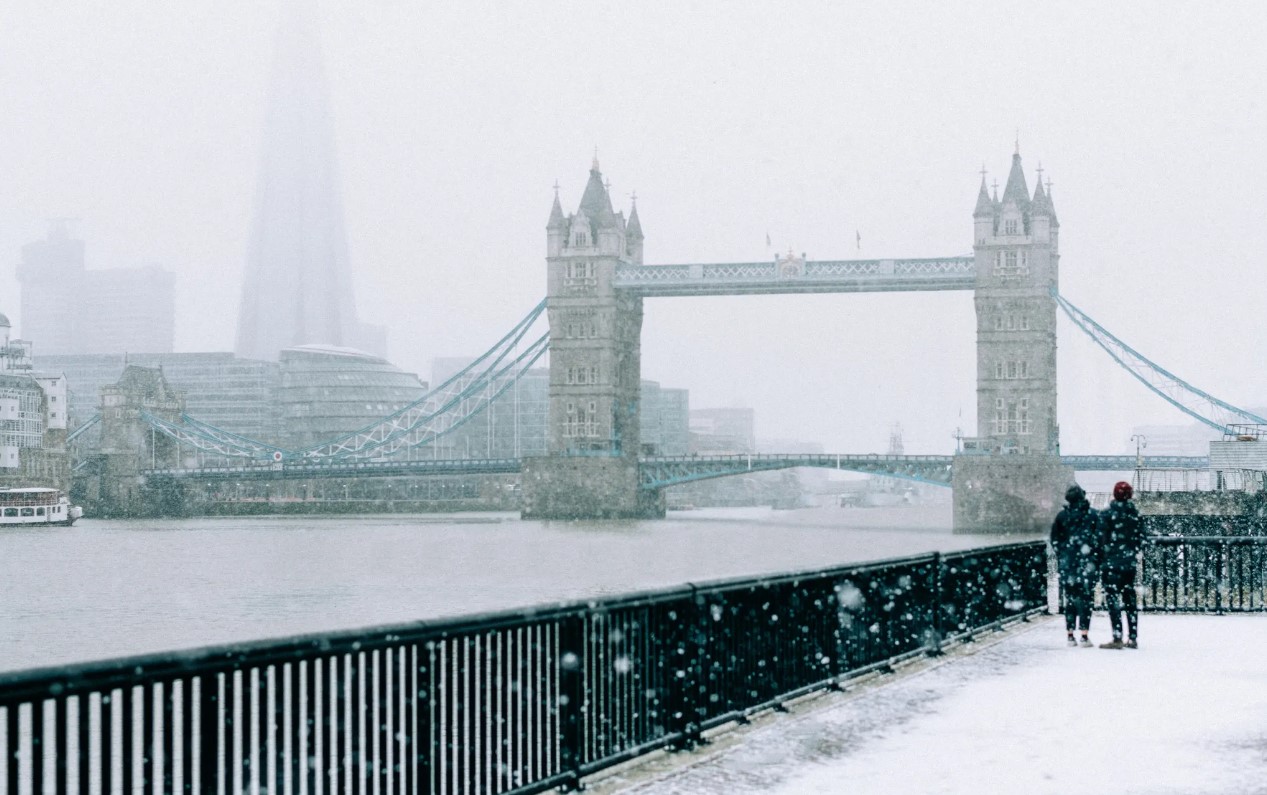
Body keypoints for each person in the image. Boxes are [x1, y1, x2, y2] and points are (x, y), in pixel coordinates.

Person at [1051, 483, 1101, 647]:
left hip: (1068, 564)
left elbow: (1055, 539)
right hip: (1088, 564)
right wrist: (1095, 557)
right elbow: (1100, 539)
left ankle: (1070, 635)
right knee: (1086, 598)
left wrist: (1063, 554)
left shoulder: (1061, 516)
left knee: (1070, 599)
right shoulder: (1093, 515)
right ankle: (1085, 635)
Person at [1100, 480, 1145, 649]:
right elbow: (1142, 538)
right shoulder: (1135, 515)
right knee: (1130, 599)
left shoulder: (1107, 515)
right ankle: (1132, 637)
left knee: (1113, 599)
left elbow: (1100, 539)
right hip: (1129, 564)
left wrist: (1105, 556)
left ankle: (1117, 637)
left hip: (1111, 564)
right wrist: (1132, 552)